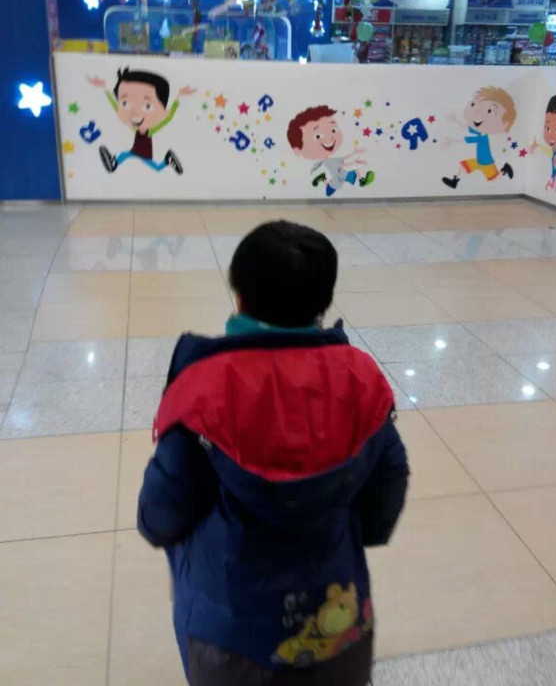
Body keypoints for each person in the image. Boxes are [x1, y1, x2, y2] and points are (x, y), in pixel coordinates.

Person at [138, 221, 409, 686]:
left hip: (229, 640)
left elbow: (161, 512)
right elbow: (387, 492)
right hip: (338, 629)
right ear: (324, 301)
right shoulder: (361, 379)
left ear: (240, 297)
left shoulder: (204, 389)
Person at [87, 67, 195, 174]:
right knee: (125, 155)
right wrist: (105, 89)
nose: (135, 113)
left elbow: (168, 118)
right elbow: (117, 108)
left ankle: (168, 159)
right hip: (134, 152)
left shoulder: (151, 131)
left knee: (157, 168)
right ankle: (113, 163)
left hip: (144, 155)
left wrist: (178, 97)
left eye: (147, 106)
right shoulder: (135, 128)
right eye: (125, 103)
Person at [288, 106, 375, 196]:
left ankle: (360, 178)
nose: (329, 139)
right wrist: (355, 161)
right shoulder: (326, 164)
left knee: (342, 171)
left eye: (333, 130)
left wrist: (354, 155)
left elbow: (342, 161)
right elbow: (343, 164)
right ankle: (360, 178)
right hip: (334, 178)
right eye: (318, 136)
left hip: (334, 176)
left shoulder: (328, 162)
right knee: (342, 172)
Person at [441, 86, 517, 189]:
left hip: (486, 162)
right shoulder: (480, 132)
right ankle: (455, 181)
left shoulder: (483, 136)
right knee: (463, 165)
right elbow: (468, 128)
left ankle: (505, 169)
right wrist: (455, 121)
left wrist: (452, 141)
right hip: (479, 160)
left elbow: (469, 140)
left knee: (493, 179)